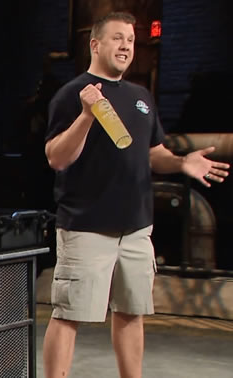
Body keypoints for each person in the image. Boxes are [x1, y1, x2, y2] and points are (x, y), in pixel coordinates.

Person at [42, 12, 229, 378]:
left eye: (130, 39)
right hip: (87, 226)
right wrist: (86, 114)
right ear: (95, 45)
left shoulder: (140, 97)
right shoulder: (72, 95)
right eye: (117, 38)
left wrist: (181, 163)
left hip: (136, 228)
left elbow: (151, 152)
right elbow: (56, 158)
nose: (126, 45)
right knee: (69, 314)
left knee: (131, 312)